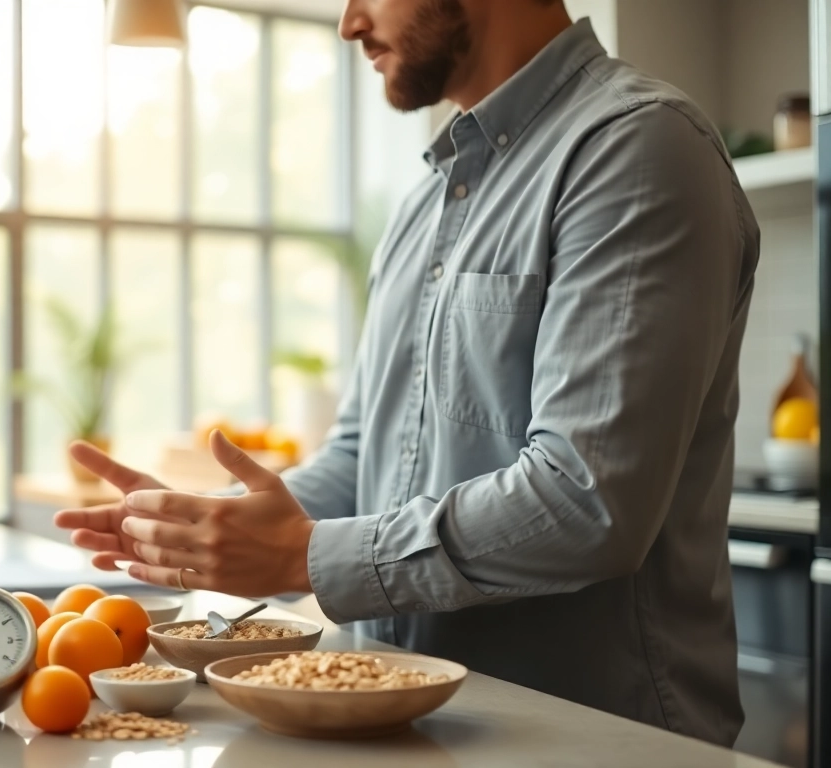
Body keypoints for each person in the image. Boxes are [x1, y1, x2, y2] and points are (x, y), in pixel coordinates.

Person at [55, 0, 756, 746]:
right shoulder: (426, 202)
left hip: (596, 744)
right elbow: (367, 457)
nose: (348, 23)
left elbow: (587, 500)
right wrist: (213, 525)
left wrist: (305, 554)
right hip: (415, 728)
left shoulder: (636, 148)